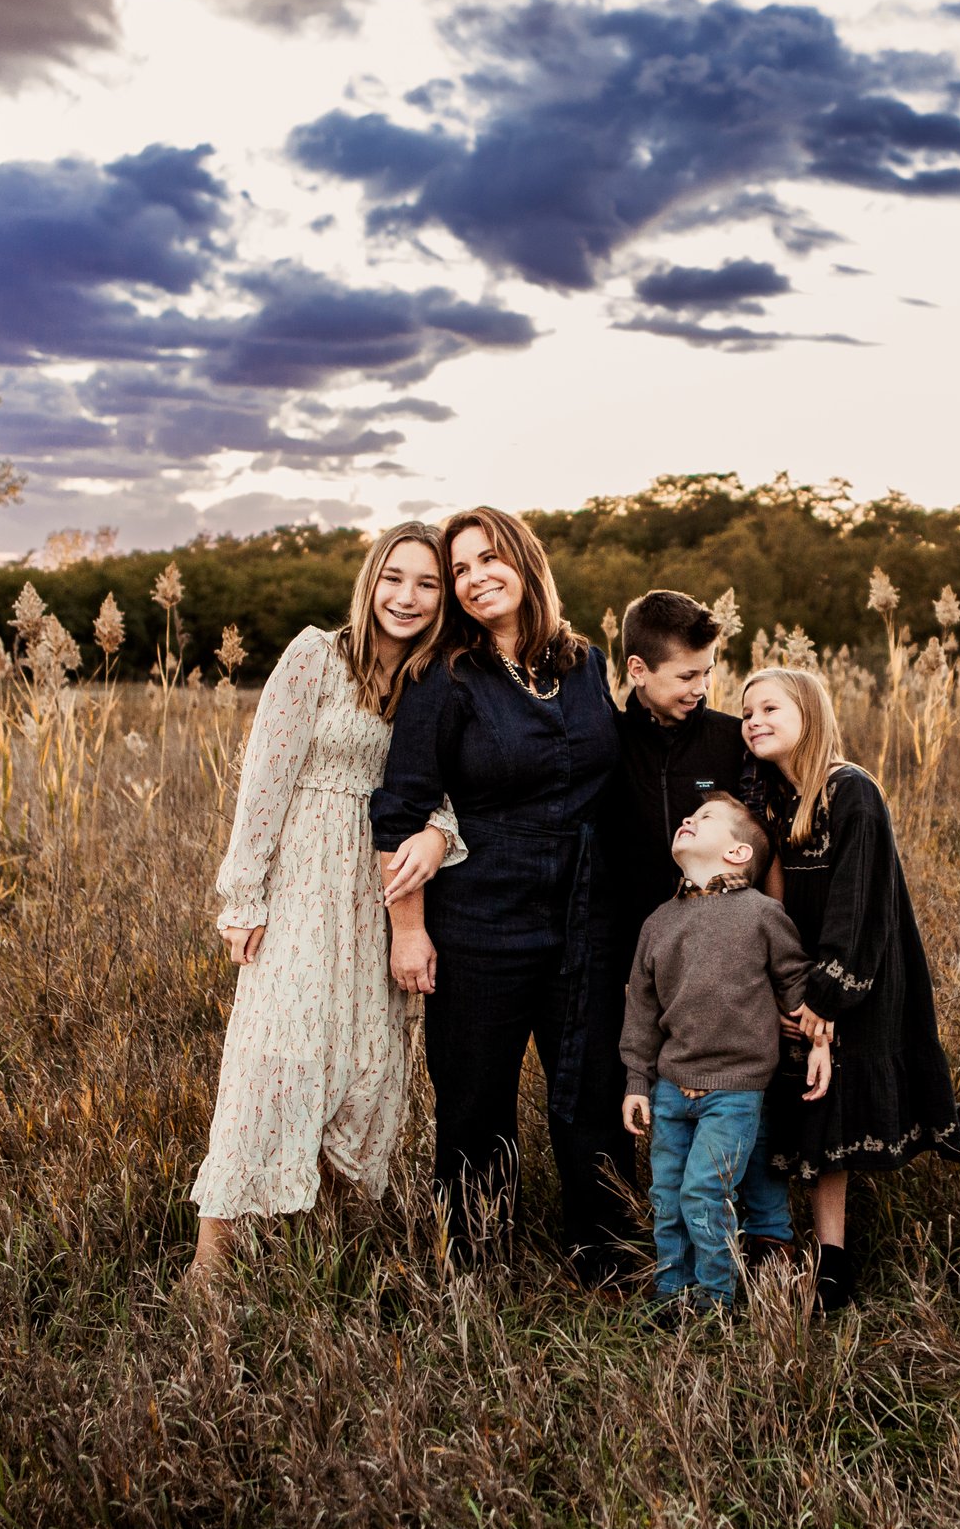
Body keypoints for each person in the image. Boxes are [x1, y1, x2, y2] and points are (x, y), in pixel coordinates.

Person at [185, 521, 464, 1291]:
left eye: (427, 584)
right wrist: (244, 893)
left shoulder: (436, 678)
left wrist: (439, 834)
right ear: (371, 580)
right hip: (304, 881)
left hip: (379, 892)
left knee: (368, 1061)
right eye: (395, 578)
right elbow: (264, 779)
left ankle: (336, 1245)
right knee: (272, 1056)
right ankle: (213, 1263)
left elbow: (449, 791)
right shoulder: (315, 654)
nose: (407, 597)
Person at [368, 507, 636, 1290]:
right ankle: (478, 1265)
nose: (478, 576)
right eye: (462, 569)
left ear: (525, 563)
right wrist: (407, 930)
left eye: (492, 559)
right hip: (481, 910)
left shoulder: (583, 662)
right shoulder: (444, 678)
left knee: (592, 1087)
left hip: (587, 911)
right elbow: (399, 810)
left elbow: (617, 773)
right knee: (476, 1098)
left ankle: (608, 1253)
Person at [741, 665, 960, 1312]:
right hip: (807, 975)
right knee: (818, 1105)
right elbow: (772, 908)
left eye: (770, 708)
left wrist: (826, 1003)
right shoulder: (771, 799)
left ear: (810, 712)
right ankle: (832, 1258)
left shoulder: (851, 793)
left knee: (862, 1100)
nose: (753, 721)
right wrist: (788, 992)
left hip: (864, 969)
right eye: (746, 713)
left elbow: (860, 906)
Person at [600, 589, 796, 1262]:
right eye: (688, 674)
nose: (702, 686)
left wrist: (773, 946)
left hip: (732, 958)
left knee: (747, 1097)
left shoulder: (724, 737)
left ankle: (764, 1234)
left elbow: (762, 839)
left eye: (709, 671)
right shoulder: (606, 738)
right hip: (641, 953)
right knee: (654, 1094)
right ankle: (657, 1232)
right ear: (636, 669)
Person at [619, 794, 831, 1314]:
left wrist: (820, 1036)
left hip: (735, 1091)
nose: (688, 818)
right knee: (667, 1198)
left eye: (705, 817)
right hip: (671, 1089)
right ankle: (671, 1293)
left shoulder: (762, 915)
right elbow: (642, 1012)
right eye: (690, 815)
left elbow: (796, 983)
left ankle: (715, 1298)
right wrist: (636, 1083)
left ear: (737, 854)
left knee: (703, 1193)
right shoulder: (658, 923)